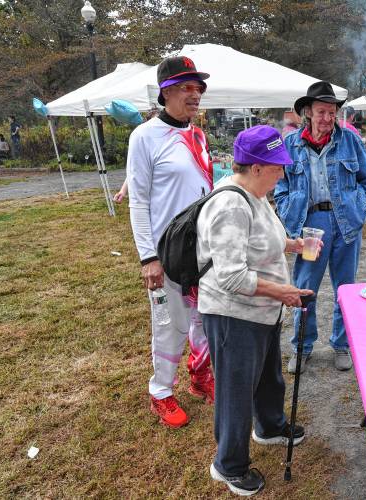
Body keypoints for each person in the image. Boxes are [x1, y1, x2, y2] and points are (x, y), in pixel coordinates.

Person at [197, 125, 317, 496]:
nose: (282, 172)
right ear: (256, 166)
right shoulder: (230, 205)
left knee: (268, 376)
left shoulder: (257, 196)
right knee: (235, 391)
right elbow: (230, 276)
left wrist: (295, 245)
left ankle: (268, 425)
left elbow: (265, 240)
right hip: (234, 313)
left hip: (262, 310)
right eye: (277, 166)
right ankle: (228, 465)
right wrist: (282, 292)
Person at [126, 56, 215, 428]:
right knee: (169, 324)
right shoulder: (144, 136)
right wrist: (149, 257)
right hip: (167, 252)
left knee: (202, 318)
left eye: (198, 88)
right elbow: (139, 200)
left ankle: (198, 377)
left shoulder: (197, 134)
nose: (195, 95)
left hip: (200, 248)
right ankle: (160, 392)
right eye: (187, 88)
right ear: (166, 92)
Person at [274, 81, 366, 373]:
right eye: (321, 112)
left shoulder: (350, 141)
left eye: (332, 112)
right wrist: (287, 212)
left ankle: (342, 344)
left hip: (346, 223)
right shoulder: (290, 145)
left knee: (345, 288)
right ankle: (302, 346)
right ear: (307, 112)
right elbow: (280, 187)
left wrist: (360, 212)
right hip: (310, 227)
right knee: (306, 287)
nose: (327, 118)